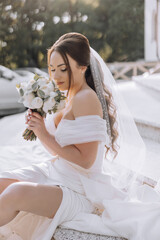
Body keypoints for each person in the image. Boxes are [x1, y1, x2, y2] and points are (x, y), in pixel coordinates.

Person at [0, 32, 160, 240]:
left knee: (16, 193)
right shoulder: (68, 96)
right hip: (56, 171)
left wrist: (43, 133)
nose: (55, 76)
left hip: (80, 189)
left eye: (63, 69)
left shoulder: (86, 99)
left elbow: (86, 161)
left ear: (83, 67)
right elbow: (57, 148)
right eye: (52, 69)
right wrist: (39, 130)